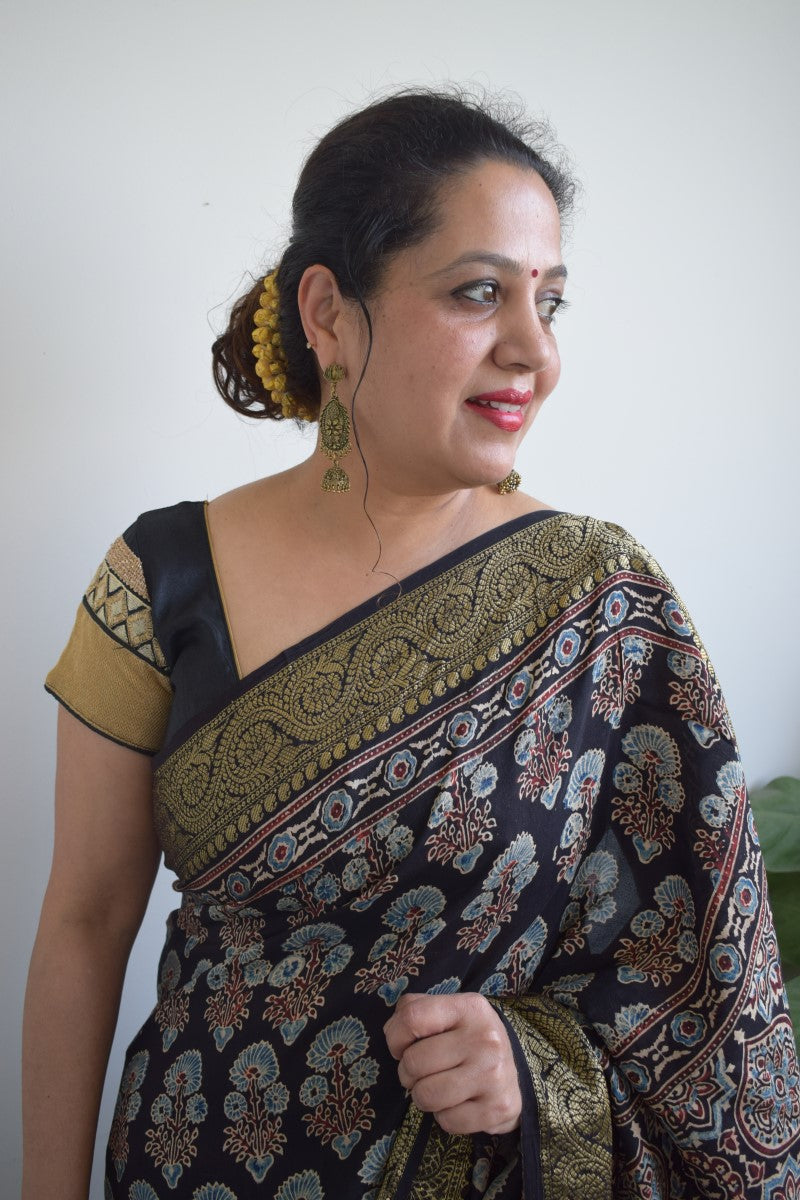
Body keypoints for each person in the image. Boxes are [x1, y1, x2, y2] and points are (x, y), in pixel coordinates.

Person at [22, 88, 800, 1200]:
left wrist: (538, 1071)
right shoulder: (160, 573)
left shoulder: (598, 601)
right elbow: (86, 921)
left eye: (550, 301)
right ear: (329, 312)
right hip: (184, 1166)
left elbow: (702, 987)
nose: (533, 349)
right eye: (479, 292)